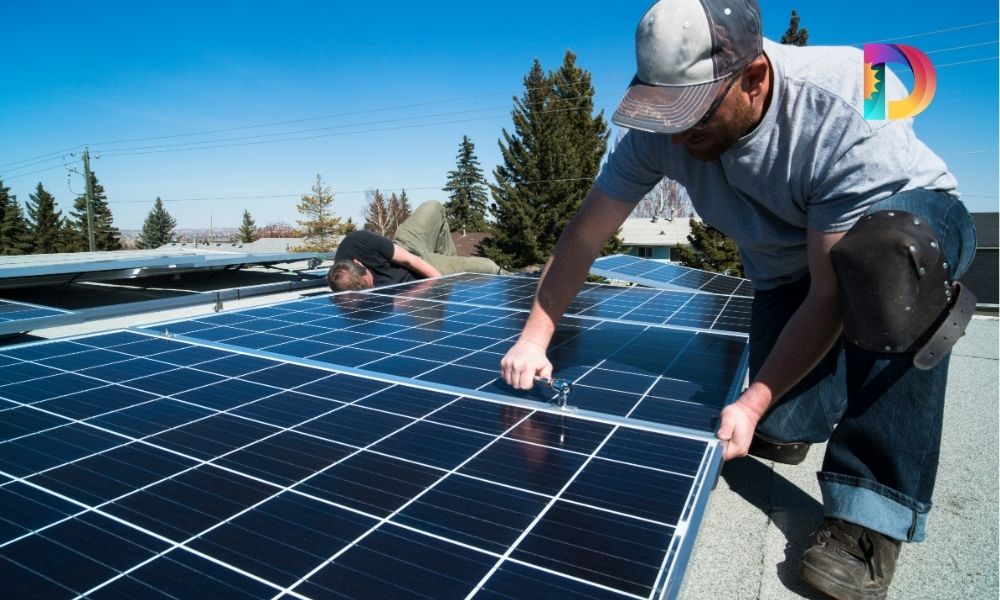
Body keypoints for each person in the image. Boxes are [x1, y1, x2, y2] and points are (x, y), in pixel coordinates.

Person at [498, 1, 977, 599]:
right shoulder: (663, 128)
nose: (679, 130)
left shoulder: (847, 96)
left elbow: (830, 290)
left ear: (754, 78)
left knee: (888, 264)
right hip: (787, 270)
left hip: (904, 231)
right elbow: (586, 234)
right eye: (666, 112)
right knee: (782, 423)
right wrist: (535, 336)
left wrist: (748, 404)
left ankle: (871, 516)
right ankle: (810, 399)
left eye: (695, 113)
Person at [327, 200, 501, 290]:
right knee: (488, 267)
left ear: (358, 263)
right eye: (368, 289)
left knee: (434, 206)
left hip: (408, 249)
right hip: (419, 276)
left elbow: (409, 260)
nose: (372, 288)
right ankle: (519, 275)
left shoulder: (358, 241)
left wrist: (443, 285)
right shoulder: (347, 290)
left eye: (370, 281)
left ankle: (449, 260)